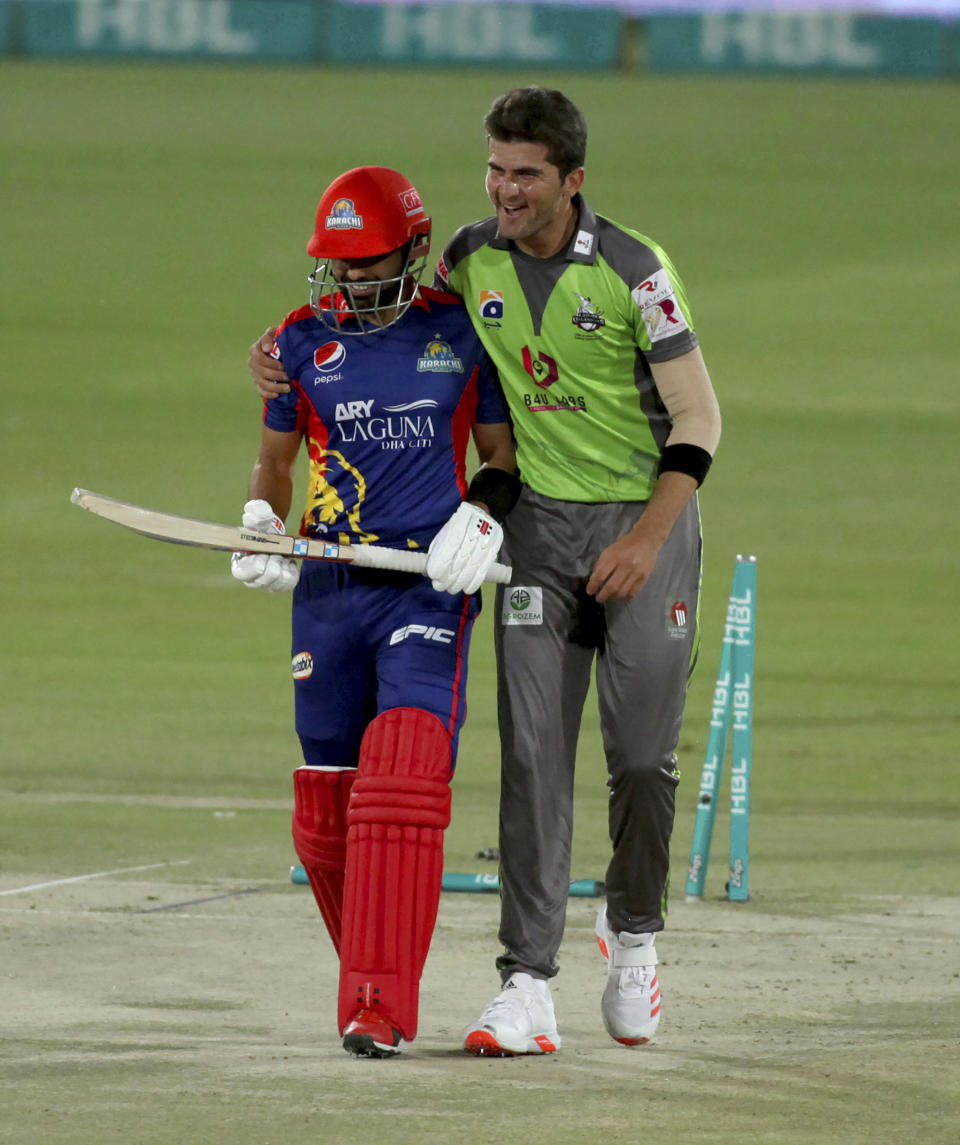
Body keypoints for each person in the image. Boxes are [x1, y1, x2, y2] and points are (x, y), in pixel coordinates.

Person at [248, 88, 721, 1057]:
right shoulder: (470, 258)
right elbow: (379, 342)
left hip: (642, 524)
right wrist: (276, 371)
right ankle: (528, 981)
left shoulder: (634, 270)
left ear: (572, 180)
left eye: (526, 174)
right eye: (496, 170)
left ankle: (632, 936)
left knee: (637, 757)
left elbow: (699, 420)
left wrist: (639, 536)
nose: (506, 190)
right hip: (538, 531)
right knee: (533, 755)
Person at [232, 164, 517, 1059]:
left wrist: (483, 513)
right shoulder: (299, 341)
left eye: (367, 262)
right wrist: (260, 523)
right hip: (330, 590)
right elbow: (275, 463)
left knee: (400, 778)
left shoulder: (461, 334)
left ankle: (378, 1008)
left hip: (428, 582)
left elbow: (501, 457)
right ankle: (370, 982)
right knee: (326, 811)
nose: (350, 279)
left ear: (413, 250)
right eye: (338, 264)